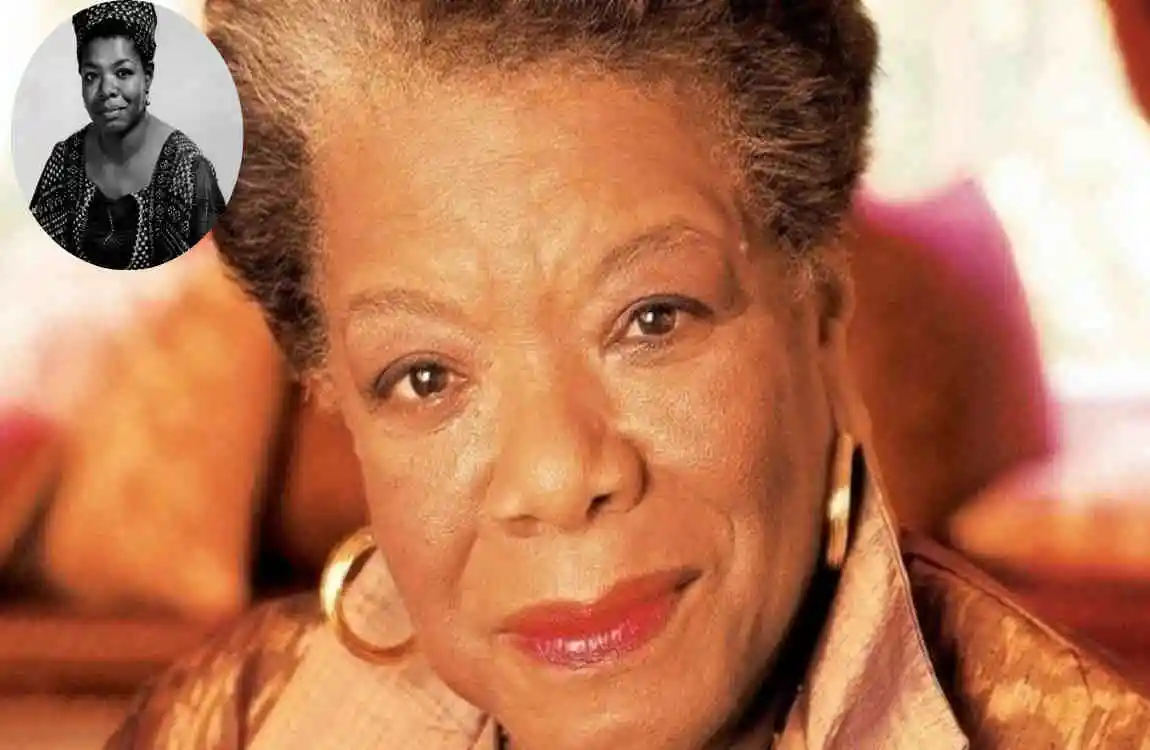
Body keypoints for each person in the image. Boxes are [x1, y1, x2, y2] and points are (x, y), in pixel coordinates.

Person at [89, 0, 1146, 747]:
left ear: (822, 313)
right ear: (338, 404)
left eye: (651, 320)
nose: (557, 477)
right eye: (425, 376)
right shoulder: (220, 725)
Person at [28, 0, 226, 270]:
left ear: (148, 77)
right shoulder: (65, 160)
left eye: (123, 73)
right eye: (92, 76)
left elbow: (217, 271)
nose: (107, 90)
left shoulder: (189, 170)